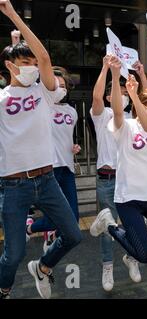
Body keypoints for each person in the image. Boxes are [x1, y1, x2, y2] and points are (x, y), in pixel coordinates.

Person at [0, 0, 81, 299]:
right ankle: (4, 289)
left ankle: (44, 267)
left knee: (73, 235)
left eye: (34, 64)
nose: (33, 69)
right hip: (13, 186)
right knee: (13, 254)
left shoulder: (43, 93)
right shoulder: (1, 98)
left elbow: (45, 56)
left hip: (47, 181)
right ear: (9, 67)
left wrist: (13, 16)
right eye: (25, 65)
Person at [90, 58, 147, 280]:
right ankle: (109, 224)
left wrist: (137, 88)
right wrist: (114, 74)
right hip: (128, 199)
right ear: (143, 106)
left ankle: (141, 235)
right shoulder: (124, 127)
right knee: (146, 255)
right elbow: (119, 112)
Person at [90, 54, 147, 292]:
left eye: (126, 94)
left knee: (131, 224)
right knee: (107, 224)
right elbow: (95, 96)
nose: (123, 98)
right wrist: (106, 66)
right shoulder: (102, 115)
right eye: (120, 94)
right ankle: (108, 266)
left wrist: (141, 75)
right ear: (110, 96)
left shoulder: (134, 118)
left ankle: (132, 258)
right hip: (106, 178)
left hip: (129, 179)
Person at [26, 68, 81, 251]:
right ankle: (30, 228)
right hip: (49, 168)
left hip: (67, 168)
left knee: (73, 217)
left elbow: (66, 138)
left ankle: (50, 234)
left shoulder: (71, 111)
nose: (60, 89)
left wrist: (74, 147)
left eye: (63, 86)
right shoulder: (40, 107)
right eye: (56, 86)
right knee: (55, 216)